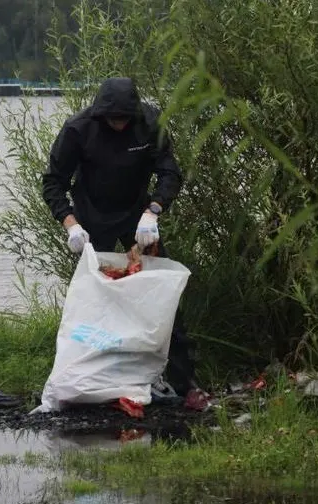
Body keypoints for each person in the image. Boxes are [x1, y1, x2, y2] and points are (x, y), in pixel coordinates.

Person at [41, 76, 197, 397]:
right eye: (113, 119)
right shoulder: (77, 130)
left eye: (125, 119)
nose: (119, 125)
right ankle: (82, 378)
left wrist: (153, 210)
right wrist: (70, 224)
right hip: (91, 220)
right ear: (100, 114)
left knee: (163, 299)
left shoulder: (151, 124)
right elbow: (53, 183)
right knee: (92, 301)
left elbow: (170, 173)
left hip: (138, 221)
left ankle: (183, 381)